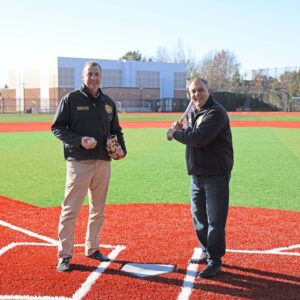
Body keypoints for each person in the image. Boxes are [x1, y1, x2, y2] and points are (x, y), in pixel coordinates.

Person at [52, 61, 126, 272]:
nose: (93, 78)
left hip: (103, 162)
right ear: (83, 77)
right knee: (70, 210)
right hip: (79, 163)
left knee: (98, 210)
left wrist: (122, 149)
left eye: (96, 74)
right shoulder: (71, 100)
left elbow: (117, 130)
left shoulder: (108, 103)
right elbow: (57, 127)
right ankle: (64, 255)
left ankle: (92, 248)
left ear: (101, 77)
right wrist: (79, 140)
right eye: (90, 74)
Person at [167, 78, 233, 278]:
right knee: (199, 218)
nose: (196, 94)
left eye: (200, 90)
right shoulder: (195, 112)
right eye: (193, 91)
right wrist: (183, 129)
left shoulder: (216, 113)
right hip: (197, 174)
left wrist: (175, 133)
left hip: (215, 174)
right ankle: (206, 251)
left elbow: (198, 139)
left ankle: (215, 261)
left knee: (215, 220)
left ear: (209, 90)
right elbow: (193, 133)